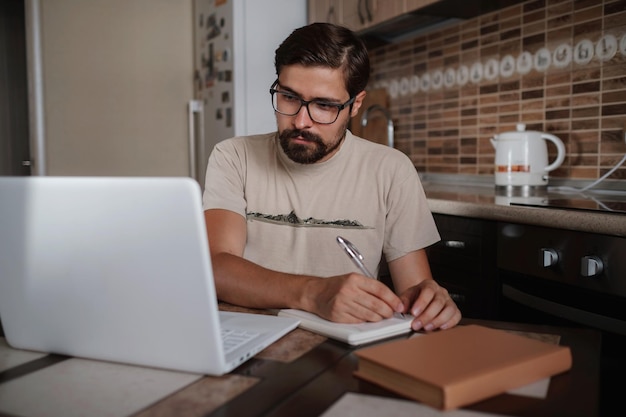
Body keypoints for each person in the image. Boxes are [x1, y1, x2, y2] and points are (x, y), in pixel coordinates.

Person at [202, 22, 461, 332]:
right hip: (248, 336)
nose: (301, 121)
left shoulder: (392, 169)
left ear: (356, 105)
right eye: (289, 97)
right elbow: (216, 268)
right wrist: (314, 293)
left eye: (324, 105)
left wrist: (430, 303)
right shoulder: (234, 157)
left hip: (347, 347)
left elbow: (415, 292)